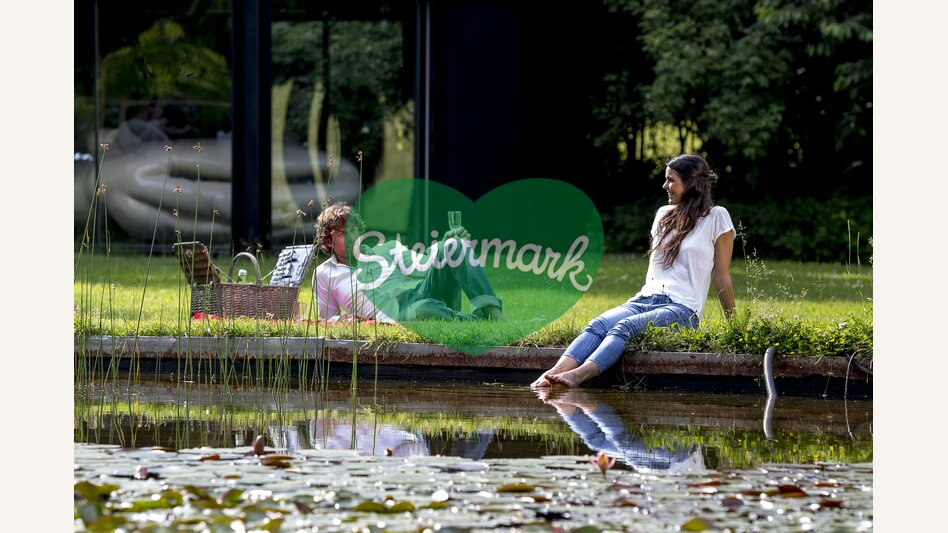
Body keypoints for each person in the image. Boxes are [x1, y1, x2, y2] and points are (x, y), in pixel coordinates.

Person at [532, 153, 735, 388]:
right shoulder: (664, 215)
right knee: (598, 324)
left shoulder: (716, 217)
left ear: (691, 183)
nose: (664, 186)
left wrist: (734, 328)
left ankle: (577, 376)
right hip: (645, 299)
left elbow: (721, 277)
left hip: (683, 309)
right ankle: (553, 374)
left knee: (625, 327)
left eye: (671, 180)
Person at [313, 202, 505, 323]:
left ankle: (494, 314)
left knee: (455, 244)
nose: (352, 237)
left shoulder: (386, 249)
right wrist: (341, 319)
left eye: (354, 230)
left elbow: (425, 265)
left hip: (421, 292)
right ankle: (478, 321)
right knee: (422, 309)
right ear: (328, 241)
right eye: (342, 234)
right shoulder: (324, 274)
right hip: (401, 316)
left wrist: (445, 243)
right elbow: (325, 320)